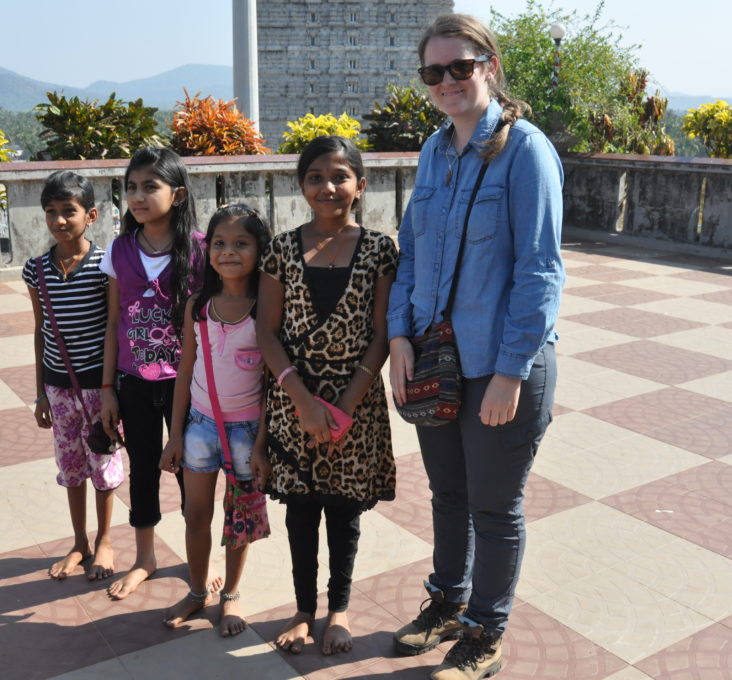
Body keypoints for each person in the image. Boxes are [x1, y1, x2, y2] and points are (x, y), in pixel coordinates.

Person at [387, 13, 565, 680]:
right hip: (438, 361)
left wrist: (511, 372)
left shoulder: (525, 151)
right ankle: (447, 603)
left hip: (501, 367)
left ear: (488, 65)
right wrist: (399, 335)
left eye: (460, 66)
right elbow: (410, 255)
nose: (447, 81)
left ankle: (485, 631)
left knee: (494, 508)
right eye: (434, 71)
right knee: (448, 497)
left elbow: (540, 270)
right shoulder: (435, 151)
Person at [257, 136, 398, 656]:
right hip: (294, 402)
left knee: (343, 512)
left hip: (354, 404)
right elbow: (266, 333)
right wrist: (303, 401)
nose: (328, 187)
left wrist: (341, 407)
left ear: (360, 186)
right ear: (302, 185)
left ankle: (338, 607)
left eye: (339, 176)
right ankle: (302, 610)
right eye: (315, 177)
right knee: (299, 511)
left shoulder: (380, 249)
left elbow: (381, 335)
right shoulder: (280, 249)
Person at [158, 204, 273, 636]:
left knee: (240, 516)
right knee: (196, 515)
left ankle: (231, 595)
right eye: (219, 243)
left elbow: (272, 386)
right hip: (200, 429)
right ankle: (195, 589)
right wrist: (175, 436)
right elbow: (184, 372)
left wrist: (262, 443)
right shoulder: (198, 307)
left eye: (241, 243)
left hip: (247, 434)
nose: (228, 251)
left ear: (260, 250)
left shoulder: (266, 307)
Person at [99, 146, 207, 600]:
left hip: (190, 385)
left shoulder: (201, 250)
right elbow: (111, 323)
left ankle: (198, 557)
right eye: (131, 187)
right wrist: (107, 388)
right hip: (133, 383)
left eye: (150, 187)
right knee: (143, 469)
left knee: (192, 473)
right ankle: (145, 558)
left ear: (178, 195)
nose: (138, 196)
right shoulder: (119, 250)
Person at [23, 170, 124, 582]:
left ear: (92, 215)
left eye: (69, 211)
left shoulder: (106, 265)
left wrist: (109, 389)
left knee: (102, 458)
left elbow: (113, 325)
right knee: (70, 465)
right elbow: (39, 330)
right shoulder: (36, 270)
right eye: (51, 212)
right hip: (57, 386)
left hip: (98, 387)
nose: (59, 221)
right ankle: (79, 541)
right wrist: (40, 394)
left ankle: (105, 540)